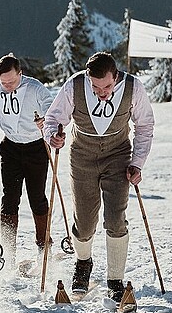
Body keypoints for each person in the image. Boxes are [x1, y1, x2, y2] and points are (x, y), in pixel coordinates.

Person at [44, 51, 154, 304]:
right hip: (82, 154)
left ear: (115, 76)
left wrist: (137, 163)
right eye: (96, 86)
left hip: (118, 155)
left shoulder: (132, 86)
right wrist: (53, 135)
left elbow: (145, 125)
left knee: (115, 218)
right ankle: (83, 263)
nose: (101, 92)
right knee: (84, 222)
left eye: (106, 86)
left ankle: (115, 279)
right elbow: (53, 118)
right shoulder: (74, 85)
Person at [0, 53, 54, 266]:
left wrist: (46, 120)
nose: (8, 86)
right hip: (11, 146)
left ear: (20, 74)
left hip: (36, 147)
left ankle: (44, 245)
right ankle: (8, 250)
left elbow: (52, 108)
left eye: (12, 81)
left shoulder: (35, 88)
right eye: (3, 82)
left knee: (37, 197)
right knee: (9, 197)